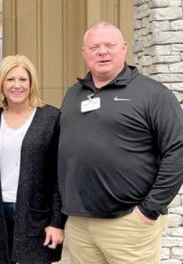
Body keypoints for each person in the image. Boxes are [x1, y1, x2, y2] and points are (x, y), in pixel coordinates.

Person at [58, 21, 183, 263]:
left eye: (109, 45)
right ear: (84, 53)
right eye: (94, 47)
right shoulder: (74, 94)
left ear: (124, 48)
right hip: (79, 225)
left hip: (128, 224)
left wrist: (149, 210)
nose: (102, 51)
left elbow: (177, 150)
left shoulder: (153, 94)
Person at [0, 55, 66, 264]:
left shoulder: (51, 119)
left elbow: (59, 176)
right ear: (1, 85)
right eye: (10, 79)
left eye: (23, 79)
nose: (17, 86)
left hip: (37, 217)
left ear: (32, 84)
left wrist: (57, 222)